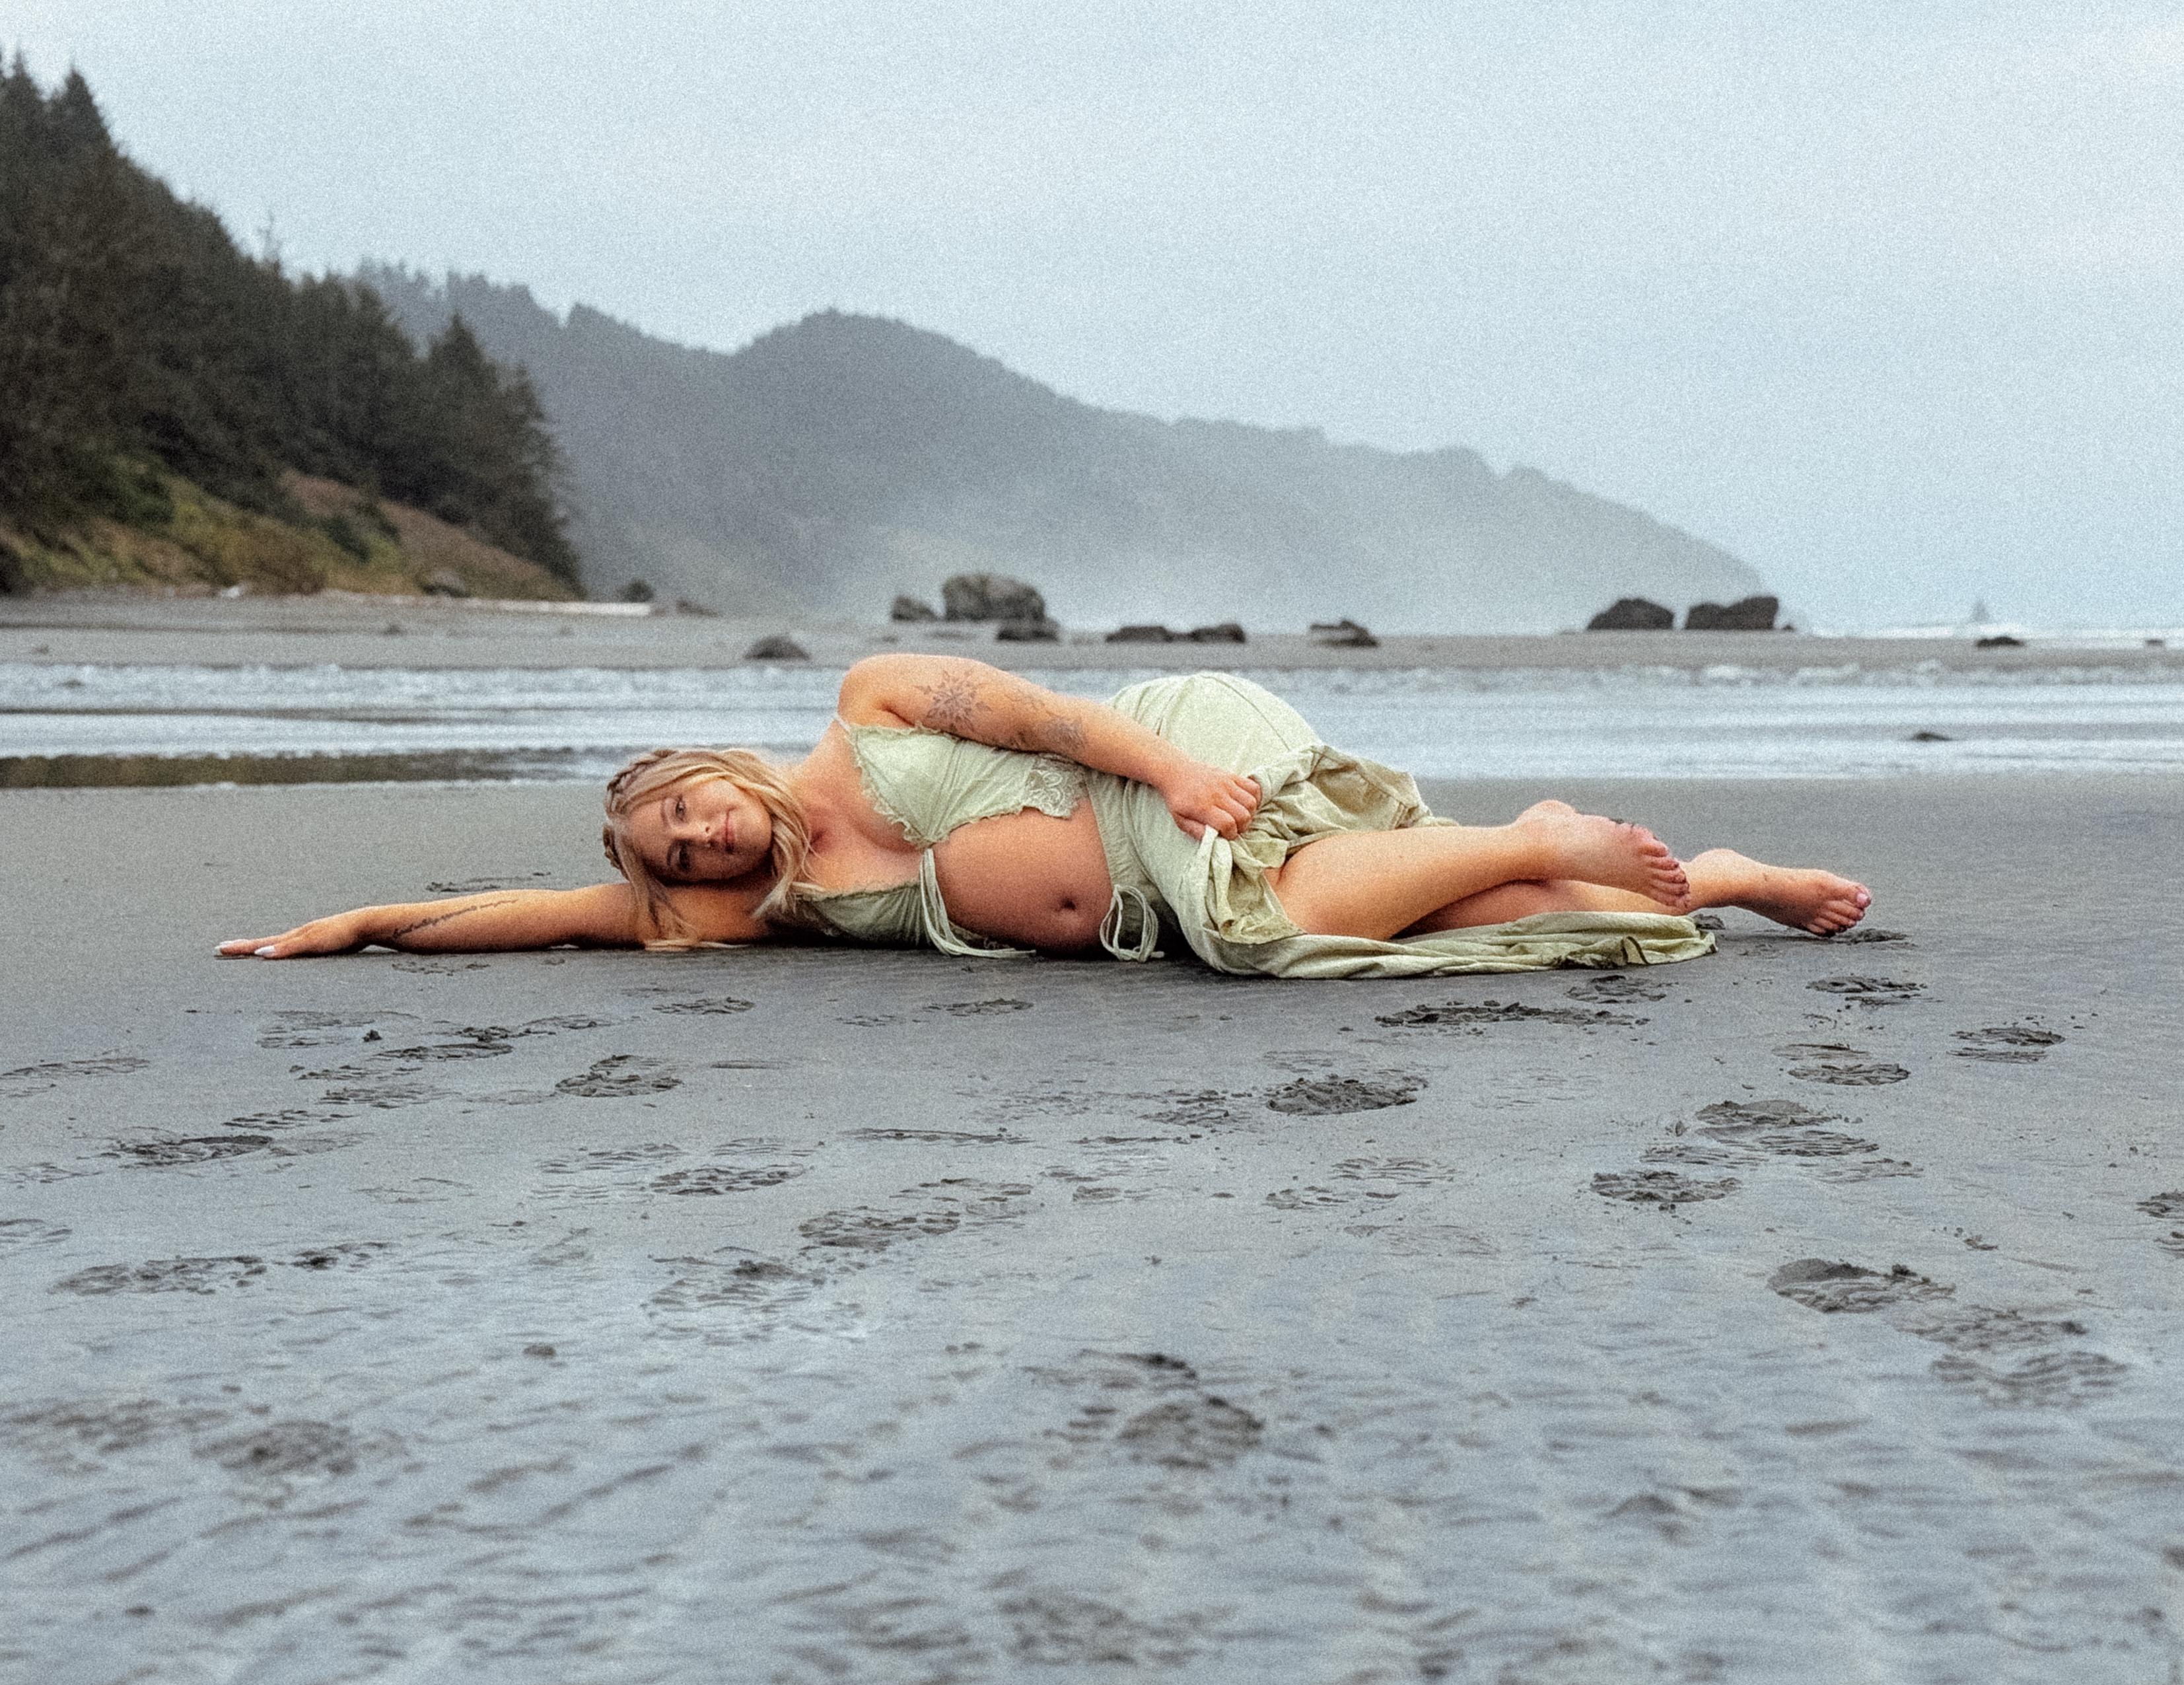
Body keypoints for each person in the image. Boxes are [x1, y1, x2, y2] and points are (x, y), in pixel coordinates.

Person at [218, 656, 1870, 973]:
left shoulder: (868, 704)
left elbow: (1042, 715)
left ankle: (1534, 829)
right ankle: (1718, 880)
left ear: (706, 767)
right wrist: (361, 922)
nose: (700, 841)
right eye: (676, 854)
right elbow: (535, 915)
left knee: (1263, 929)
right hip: (1139, 900)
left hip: (1157, 767)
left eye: (690, 811)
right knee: (1482, 933)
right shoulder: (738, 910)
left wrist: (1169, 777)